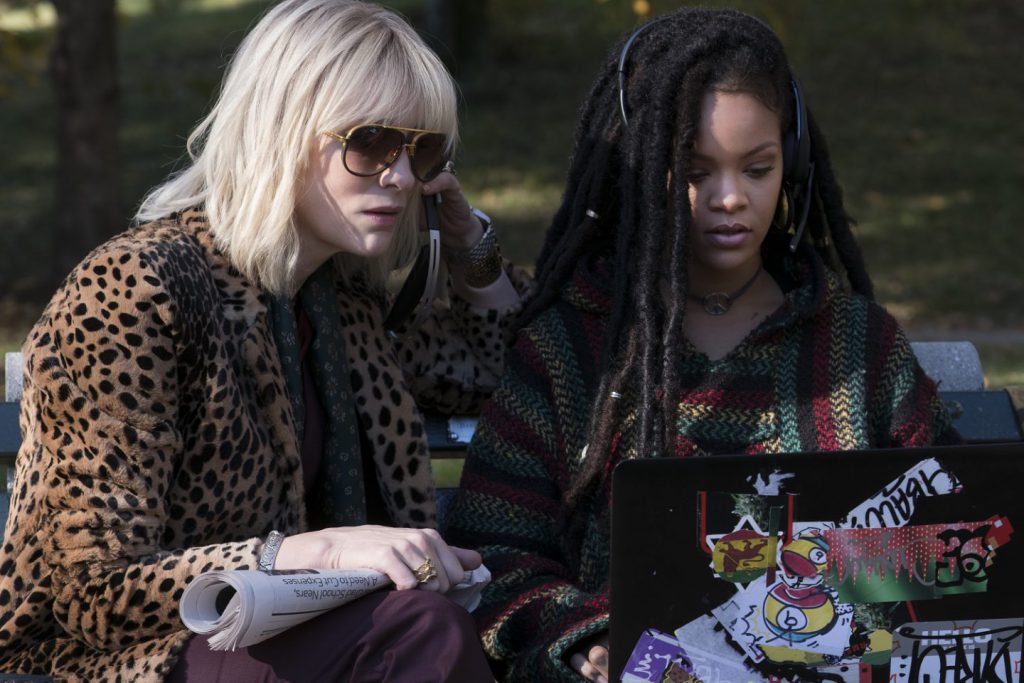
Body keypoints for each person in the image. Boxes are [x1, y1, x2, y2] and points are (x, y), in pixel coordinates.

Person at [0, 0, 525, 680]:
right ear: (280, 130)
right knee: (419, 632)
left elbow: (500, 374)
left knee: (438, 627)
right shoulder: (136, 288)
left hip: (293, 641)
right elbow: (91, 592)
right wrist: (312, 553)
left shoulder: (341, 307)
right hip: (126, 657)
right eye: (371, 142)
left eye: (421, 151)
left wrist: (467, 244)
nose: (399, 176)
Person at [443, 7, 960, 683]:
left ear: (793, 163)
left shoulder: (858, 348)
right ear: (638, 170)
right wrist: (587, 639)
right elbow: (497, 557)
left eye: (757, 168)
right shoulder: (571, 352)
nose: (730, 198)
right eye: (694, 171)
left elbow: (947, 536)